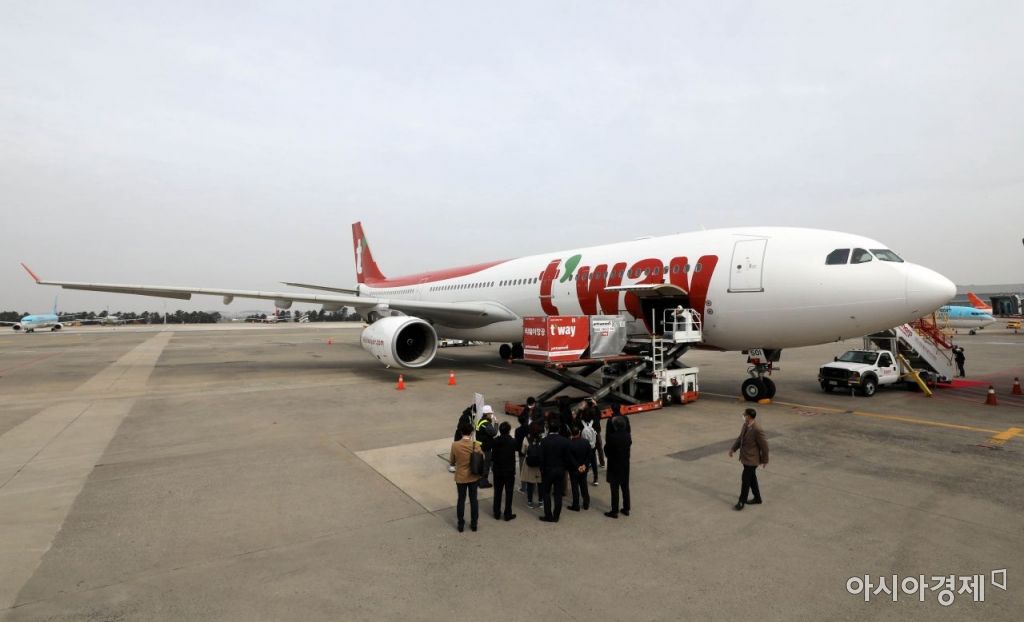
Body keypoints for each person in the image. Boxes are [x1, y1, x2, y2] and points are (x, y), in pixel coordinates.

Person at [729, 408, 769, 511]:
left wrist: (765, 460)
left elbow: (764, 446)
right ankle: (757, 498)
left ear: (749, 417)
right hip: (745, 458)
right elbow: (740, 438)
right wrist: (733, 449)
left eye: (745, 414)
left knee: (745, 479)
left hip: (752, 460)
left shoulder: (757, 429)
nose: (743, 416)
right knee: (752, 479)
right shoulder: (745, 425)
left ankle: (741, 502)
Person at [449, 421, 483, 532]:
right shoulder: (475, 445)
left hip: (461, 477)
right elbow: (481, 457)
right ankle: (474, 524)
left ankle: (460, 524)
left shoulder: (455, 445)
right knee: (473, 500)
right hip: (473, 476)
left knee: (461, 499)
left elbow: (452, 461)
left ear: (461, 432)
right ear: (471, 432)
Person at [538, 419, 571, 522]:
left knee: (546, 492)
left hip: (547, 470)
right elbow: (567, 457)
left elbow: (541, 457)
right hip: (560, 470)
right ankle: (556, 516)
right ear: (559, 429)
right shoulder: (565, 441)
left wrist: (541, 469)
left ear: (548, 429)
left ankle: (548, 515)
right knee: (558, 493)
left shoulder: (544, 441)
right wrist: (565, 468)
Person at [603, 415, 632, 518]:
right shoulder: (628, 435)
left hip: (614, 465)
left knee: (614, 489)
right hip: (625, 465)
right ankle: (626, 508)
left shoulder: (612, 437)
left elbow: (606, 451)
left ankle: (614, 511)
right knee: (625, 487)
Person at [490, 421, 517, 521]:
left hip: (498, 470)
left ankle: (496, 513)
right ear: (509, 431)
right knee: (509, 493)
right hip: (509, 471)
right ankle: (507, 514)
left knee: (497, 492)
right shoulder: (512, 441)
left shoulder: (495, 441)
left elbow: (493, 455)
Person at [520, 420, 544, 509]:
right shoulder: (542, 439)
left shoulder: (526, 438)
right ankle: (541, 501)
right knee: (540, 483)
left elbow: (523, 451)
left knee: (530, 484)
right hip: (539, 465)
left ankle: (530, 502)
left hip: (529, 464)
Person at [566, 424, 591, 511]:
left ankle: (576, 505)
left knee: (575, 487)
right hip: (584, 468)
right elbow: (589, 455)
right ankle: (586, 503)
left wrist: (577, 466)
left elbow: (570, 458)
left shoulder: (569, 444)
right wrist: (584, 465)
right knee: (584, 485)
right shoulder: (586, 442)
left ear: (571, 434)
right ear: (579, 432)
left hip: (574, 469)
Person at [475, 406, 497, 488]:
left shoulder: (480, 421)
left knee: (480, 464)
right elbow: (494, 433)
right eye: (490, 413)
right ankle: (484, 482)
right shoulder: (486, 424)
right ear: (487, 414)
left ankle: (478, 480)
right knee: (486, 465)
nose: (491, 415)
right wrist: (496, 423)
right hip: (486, 447)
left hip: (479, 446)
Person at [580, 399, 601, 484]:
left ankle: (583, 477)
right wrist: (595, 405)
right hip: (592, 444)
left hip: (583, 445)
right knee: (593, 460)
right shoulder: (595, 420)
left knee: (584, 460)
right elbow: (599, 415)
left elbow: (574, 420)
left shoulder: (580, 422)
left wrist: (581, 409)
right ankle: (596, 478)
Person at [514, 412, 530, 493]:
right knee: (531, 469)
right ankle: (531, 487)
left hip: (522, 452)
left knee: (522, 470)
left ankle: (524, 488)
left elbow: (517, 442)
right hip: (530, 451)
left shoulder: (517, 430)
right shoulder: (530, 428)